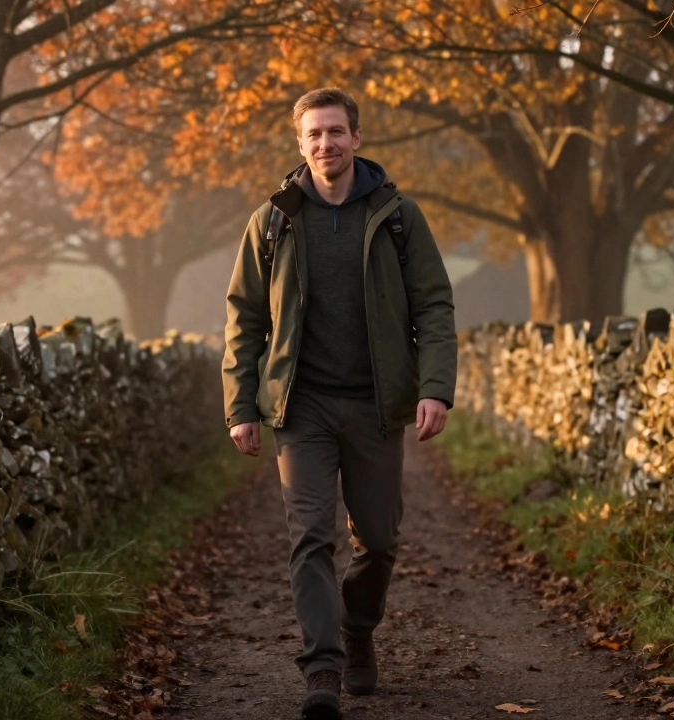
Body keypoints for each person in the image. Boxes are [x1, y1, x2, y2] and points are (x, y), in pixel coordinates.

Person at [221, 87, 457, 719]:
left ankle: (358, 629)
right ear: (301, 145)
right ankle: (321, 668)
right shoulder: (270, 220)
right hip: (301, 409)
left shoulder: (399, 216)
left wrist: (435, 387)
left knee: (378, 541)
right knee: (310, 537)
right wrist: (241, 405)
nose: (325, 143)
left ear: (357, 138)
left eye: (336, 132)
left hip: (378, 406)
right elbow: (244, 318)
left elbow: (434, 305)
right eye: (313, 135)